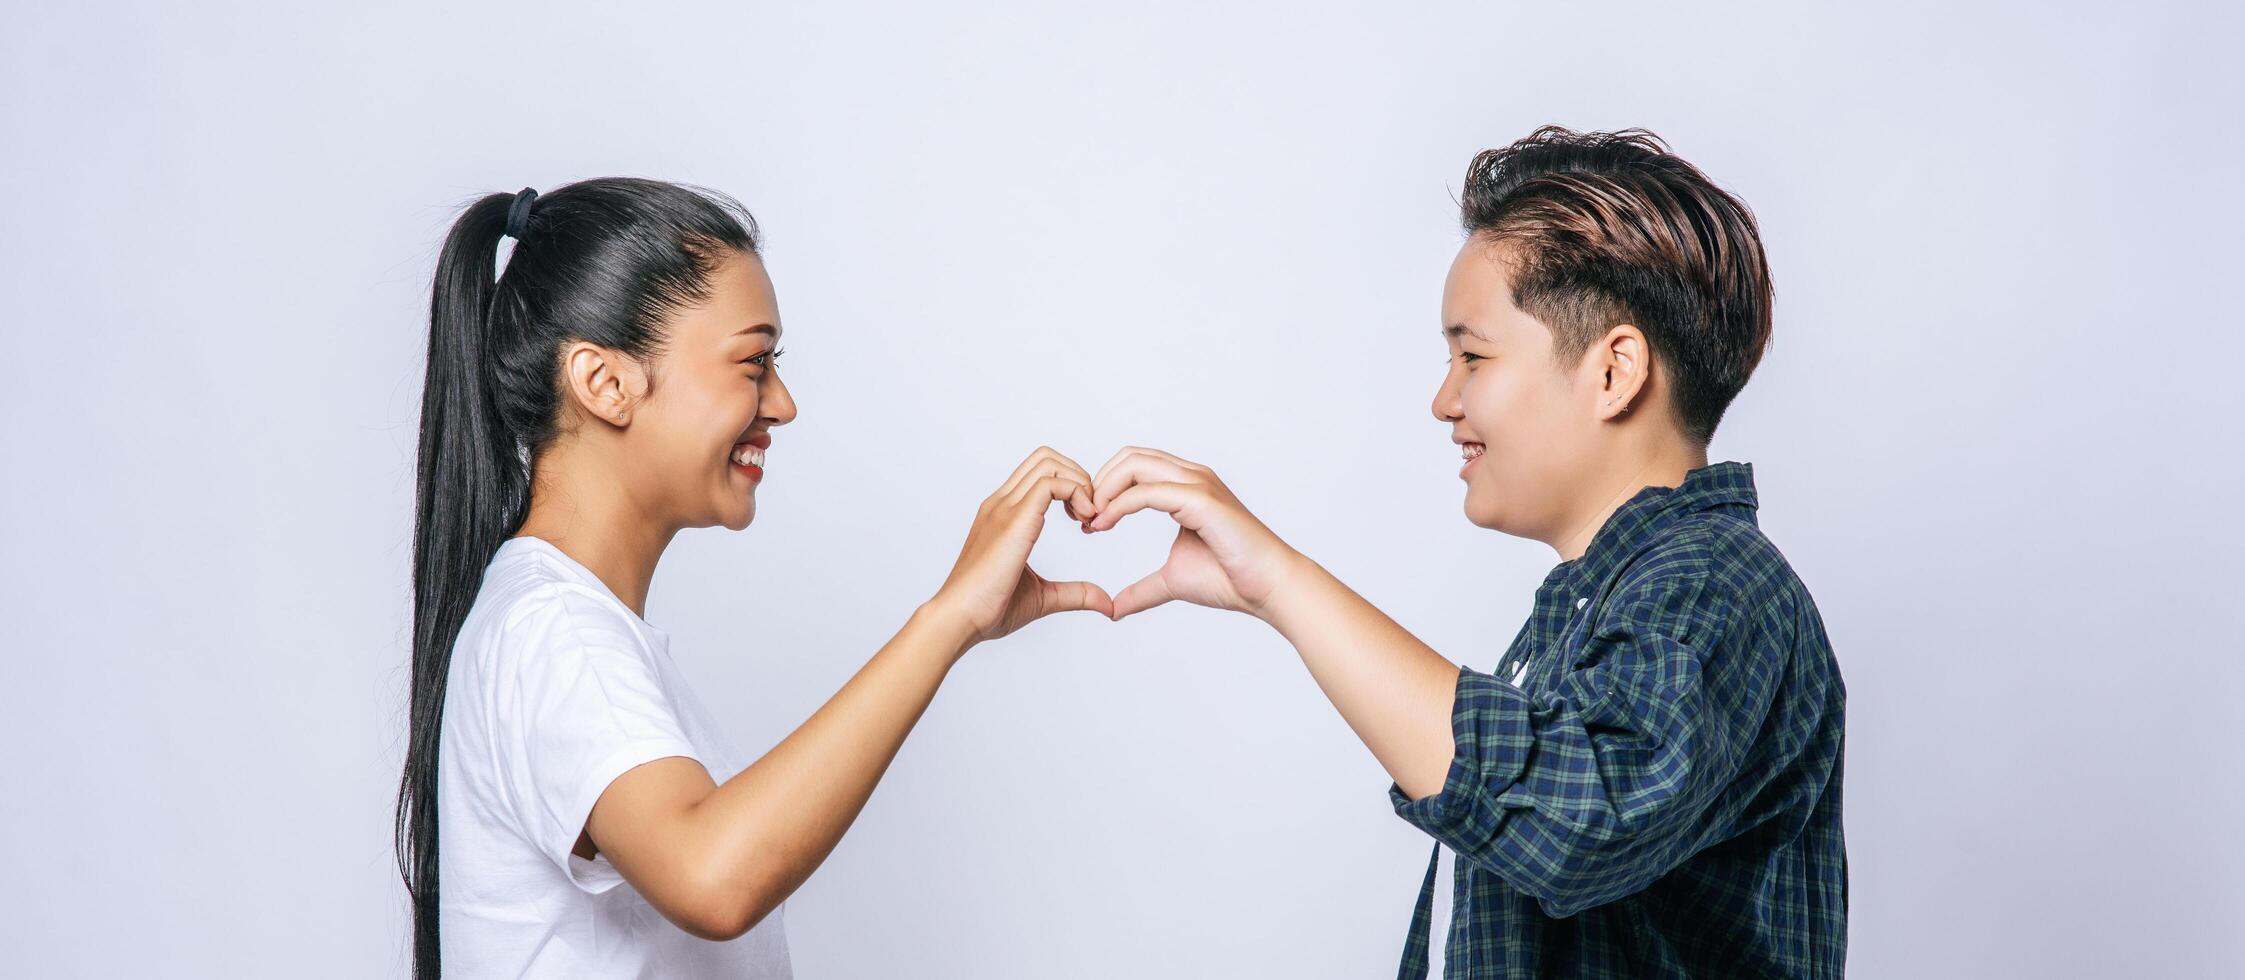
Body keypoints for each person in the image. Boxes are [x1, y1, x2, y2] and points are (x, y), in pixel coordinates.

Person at [1077, 127, 1847, 977]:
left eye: (1472, 355)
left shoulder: (1712, 581)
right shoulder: (1598, 604)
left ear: (1613, 372)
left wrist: (1281, 583)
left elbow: (1574, 824)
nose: (1444, 400)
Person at [396, 177, 1111, 978]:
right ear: (603, 383)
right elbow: (712, 877)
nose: (783, 403)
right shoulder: (554, 634)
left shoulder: (565, 629)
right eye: (752, 361)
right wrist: (949, 619)